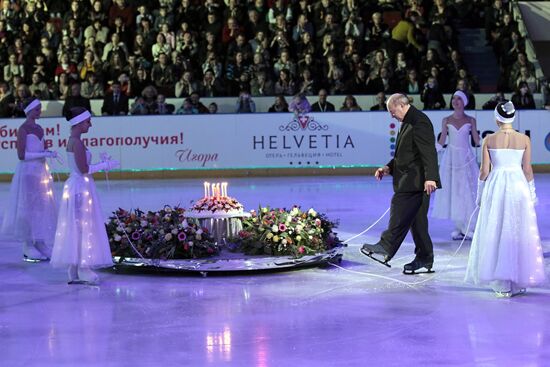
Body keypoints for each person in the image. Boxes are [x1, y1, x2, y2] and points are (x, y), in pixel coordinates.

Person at [465, 101, 545, 296]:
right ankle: (517, 280)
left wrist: (480, 194)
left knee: (498, 228)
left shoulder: (489, 140)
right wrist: (532, 193)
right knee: (517, 229)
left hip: (497, 185)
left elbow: (484, 171)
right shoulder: (524, 139)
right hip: (518, 185)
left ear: (496, 118)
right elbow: (527, 170)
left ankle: (502, 281)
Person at [362, 94, 441, 274]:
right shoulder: (407, 121)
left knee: (399, 207)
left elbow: (429, 152)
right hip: (411, 180)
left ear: (401, 105)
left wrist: (431, 178)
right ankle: (425, 258)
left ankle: (385, 246)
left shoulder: (419, 121)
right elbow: (404, 154)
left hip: (417, 181)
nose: (391, 115)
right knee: (417, 222)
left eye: (392, 111)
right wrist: (388, 167)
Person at [50, 107, 120, 285]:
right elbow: (84, 169)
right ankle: (82, 267)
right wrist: (106, 164)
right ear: (79, 122)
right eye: (88, 121)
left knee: (77, 225)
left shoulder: (74, 140)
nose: (90, 124)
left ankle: (74, 268)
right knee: (83, 226)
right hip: (80, 187)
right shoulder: (77, 142)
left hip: (78, 186)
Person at [1, 98, 58, 261]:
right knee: (28, 207)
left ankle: (39, 241)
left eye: (40, 109)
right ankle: (28, 244)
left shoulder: (40, 128)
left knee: (41, 206)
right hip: (28, 172)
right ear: (29, 111)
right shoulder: (23, 129)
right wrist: (43, 154)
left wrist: (49, 152)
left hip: (41, 172)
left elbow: (43, 148)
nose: (40, 112)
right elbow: (21, 155)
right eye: (37, 109)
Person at [432, 91, 481, 240]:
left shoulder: (471, 120)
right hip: (451, 160)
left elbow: (477, 141)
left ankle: (468, 226)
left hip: (466, 159)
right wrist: (427, 152)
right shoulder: (446, 120)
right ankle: (459, 226)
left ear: (464, 102)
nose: (455, 101)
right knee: (455, 191)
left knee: (467, 190)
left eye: (459, 98)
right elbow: (441, 142)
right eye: (453, 98)